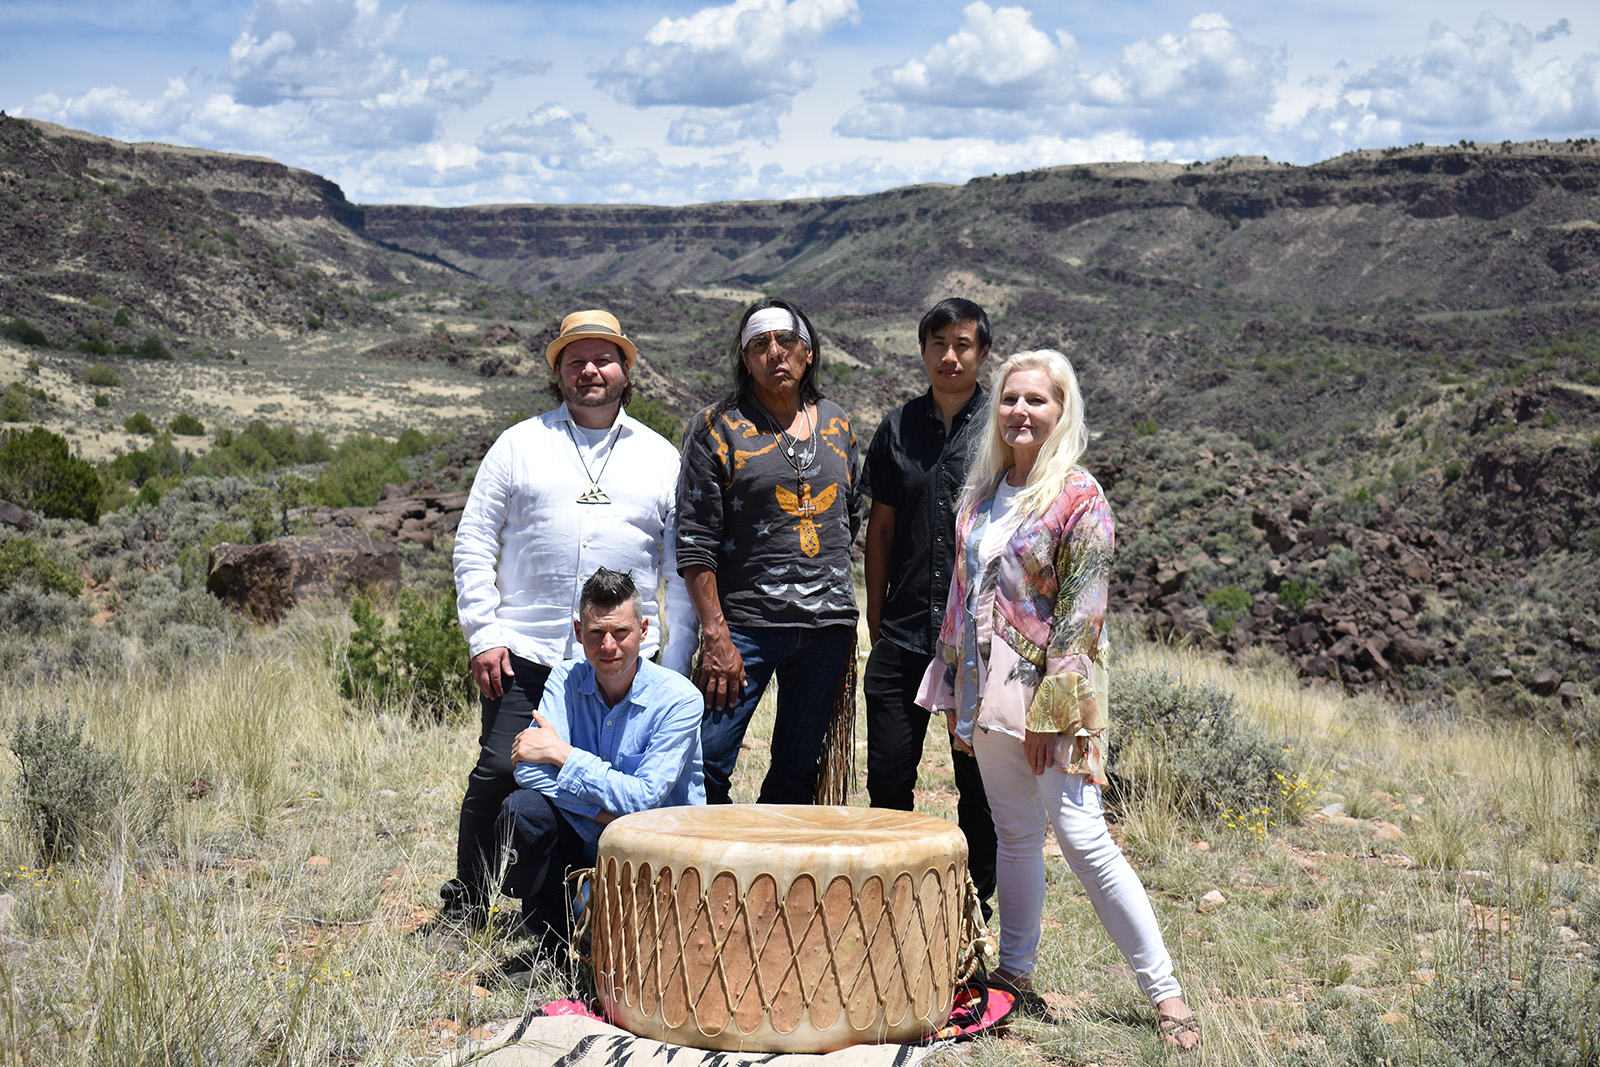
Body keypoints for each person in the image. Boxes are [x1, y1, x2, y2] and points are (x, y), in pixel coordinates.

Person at [916, 350, 1200, 1050]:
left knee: (1083, 838)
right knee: (1014, 836)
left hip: (1050, 700)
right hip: (986, 696)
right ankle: (1015, 973)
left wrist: (1053, 711)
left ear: (1061, 410)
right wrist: (953, 690)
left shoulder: (1079, 497)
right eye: (1010, 398)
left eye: (1036, 401)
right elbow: (960, 597)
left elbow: (1083, 612)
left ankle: (1165, 992)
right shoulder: (981, 496)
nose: (1019, 411)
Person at [447, 309, 695, 929]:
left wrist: (677, 662)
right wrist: (484, 634)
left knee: (626, 786)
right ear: (557, 371)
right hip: (527, 651)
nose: (590, 370)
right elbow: (474, 542)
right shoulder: (519, 445)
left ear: (625, 370)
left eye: (603, 358)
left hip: (622, 661)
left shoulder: (660, 457)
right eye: (575, 359)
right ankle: (471, 902)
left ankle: (591, 909)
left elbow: (678, 570)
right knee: (503, 771)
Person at [676, 296, 863, 804]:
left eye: (787, 342)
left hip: (826, 628)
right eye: (760, 344)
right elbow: (694, 541)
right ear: (744, 358)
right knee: (706, 758)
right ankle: (714, 870)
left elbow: (850, 519)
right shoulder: (716, 427)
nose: (775, 353)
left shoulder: (837, 423)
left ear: (808, 354)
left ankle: (774, 876)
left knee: (800, 764)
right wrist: (715, 635)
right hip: (745, 627)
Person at [862, 297, 997, 917]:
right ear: (922, 351)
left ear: (982, 353)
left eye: (962, 344)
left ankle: (971, 912)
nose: (949, 355)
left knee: (980, 784)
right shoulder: (897, 428)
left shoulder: (1003, 424)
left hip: (982, 641)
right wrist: (876, 618)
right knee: (890, 774)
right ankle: (890, 899)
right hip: (905, 631)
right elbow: (881, 530)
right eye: (938, 343)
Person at [499, 567, 704, 953]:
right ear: (578, 632)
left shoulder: (680, 699)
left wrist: (563, 754)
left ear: (644, 630)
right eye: (596, 634)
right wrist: (604, 814)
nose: (608, 645)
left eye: (621, 633)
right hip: (588, 836)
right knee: (525, 810)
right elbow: (528, 769)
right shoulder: (563, 679)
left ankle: (604, 927)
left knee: (636, 955)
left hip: (657, 851)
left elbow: (645, 801)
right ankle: (553, 943)